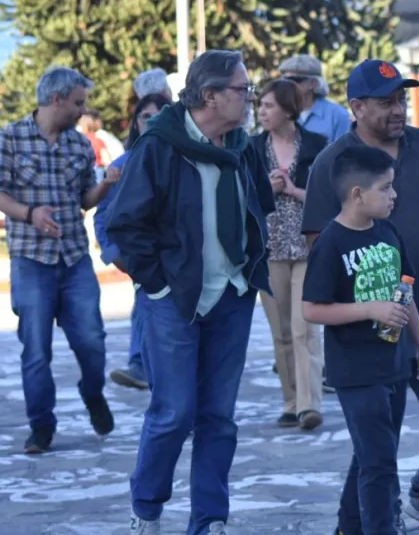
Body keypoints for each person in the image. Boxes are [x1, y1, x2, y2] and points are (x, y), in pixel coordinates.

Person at [301, 59, 419, 535]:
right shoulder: (332, 162)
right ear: (356, 107)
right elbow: (320, 244)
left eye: (400, 99)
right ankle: (358, 524)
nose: (397, 109)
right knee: (377, 440)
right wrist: (361, 306)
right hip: (367, 329)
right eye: (385, 102)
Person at [106, 49, 274, 535]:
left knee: (218, 417)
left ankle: (210, 521)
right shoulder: (159, 144)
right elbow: (124, 225)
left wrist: (250, 266)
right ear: (210, 95)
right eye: (242, 90)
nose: (250, 98)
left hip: (232, 297)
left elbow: (259, 204)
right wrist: (157, 283)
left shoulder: (242, 145)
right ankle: (147, 509)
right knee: (174, 413)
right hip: (175, 301)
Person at [303, 145, 419, 535]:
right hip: (355, 371)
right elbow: (311, 309)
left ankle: (348, 526)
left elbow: (404, 290)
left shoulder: (388, 232)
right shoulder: (330, 243)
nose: (394, 196)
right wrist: (369, 310)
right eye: (386, 188)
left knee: (372, 456)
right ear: (357, 194)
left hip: (394, 365)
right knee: (379, 464)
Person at [0, 66, 120, 454]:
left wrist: (104, 184)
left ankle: (92, 392)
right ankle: (41, 427)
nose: (83, 111)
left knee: (92, 342)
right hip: (30, 261)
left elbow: (85, 200)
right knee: (36, 350)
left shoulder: (79, 145)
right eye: (78, 103)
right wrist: (29, 213)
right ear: (57, 99)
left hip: (74, 261)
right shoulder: (11, 138)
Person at [250, 79, 328, 430]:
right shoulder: (251, 149)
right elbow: (242, 198)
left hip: (307, 247)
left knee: (304, 328)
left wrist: (295, 191)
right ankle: (291, 401)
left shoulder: (316, 146)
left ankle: (310, 405)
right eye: (260, 106)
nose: (261, 112)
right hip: (269, 250)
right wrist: (265, 189)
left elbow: (329, 199)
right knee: (280, 331)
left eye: (268, 106)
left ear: (287, 109)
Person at [95, 92, 172, 391]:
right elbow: (103, 216)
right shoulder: (122, 164)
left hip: (180, 259)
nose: (151, 123)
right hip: (142, 259)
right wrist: (113, 254)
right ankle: (140, 365)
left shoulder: (183, 158)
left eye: (159, 117)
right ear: (136, 123)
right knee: (145, 304)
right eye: (145, 117)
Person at [278, 54, 351, 141]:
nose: (288, 85)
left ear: (313, 83)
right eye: (285, 80)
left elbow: (346, 152)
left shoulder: (337, 116)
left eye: (295, 80)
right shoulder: (279, 113)